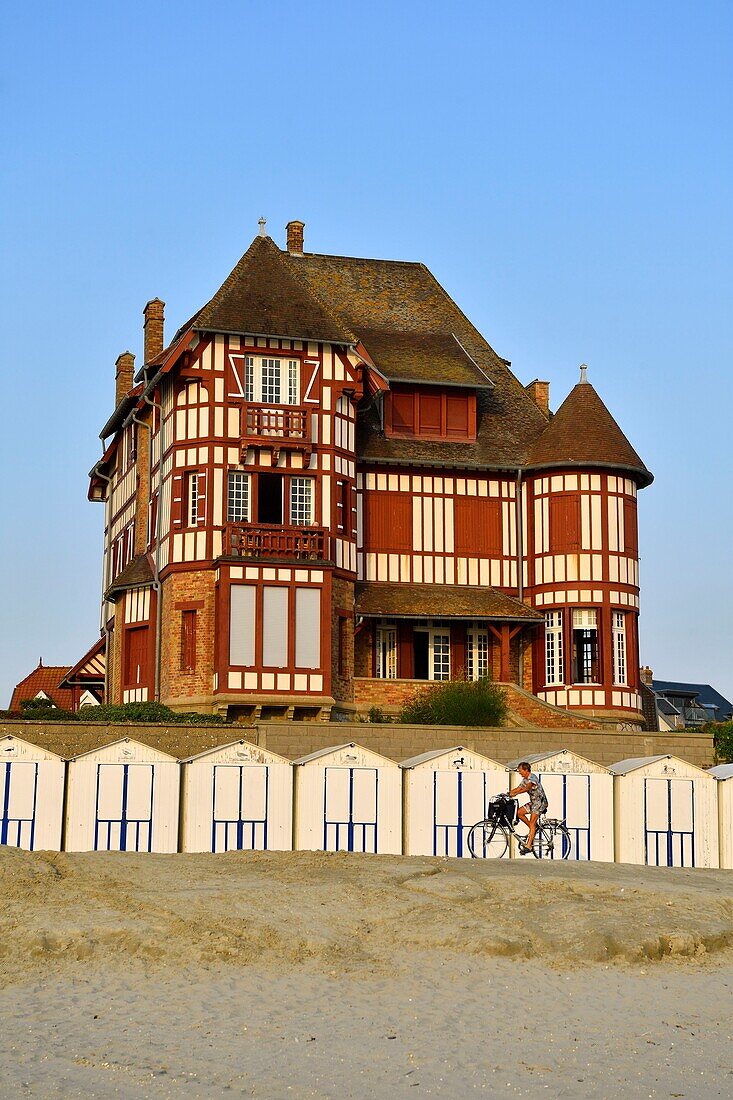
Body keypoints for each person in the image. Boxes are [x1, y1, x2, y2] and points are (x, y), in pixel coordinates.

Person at [508, 762, 548, 854]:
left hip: (540, 802)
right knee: (519, 813)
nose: (519, 772)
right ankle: (532, 828)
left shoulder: (532, 778)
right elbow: (518, 788)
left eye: (520, 771)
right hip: (533, 803)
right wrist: (507, 794)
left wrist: (515, 794)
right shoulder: (525, 779)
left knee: (532, 823)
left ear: (526, 770)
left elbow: (526, 788)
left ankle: (529, 846)